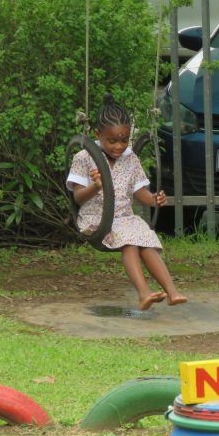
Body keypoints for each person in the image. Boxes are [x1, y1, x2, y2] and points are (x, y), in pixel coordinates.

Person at [66, 94, 188, 311]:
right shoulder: (84, 158)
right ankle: (144, 293)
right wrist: (95, 187)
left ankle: (172, 292)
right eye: (112, 141)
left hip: (125, 218)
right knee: (130, 243)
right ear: (97, 135)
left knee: (147, 243)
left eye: (124, 140)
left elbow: (139, 192)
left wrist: (154, 200)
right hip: (98, 220)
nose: (119, 146)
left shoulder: (130, 159)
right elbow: (78, 197)